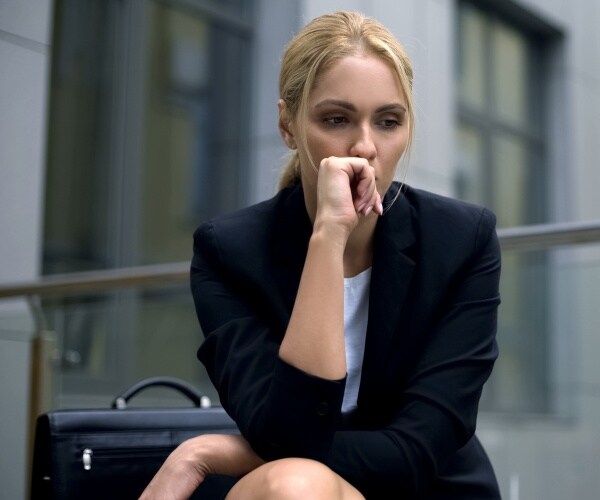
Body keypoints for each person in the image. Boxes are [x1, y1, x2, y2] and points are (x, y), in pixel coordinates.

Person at [141, 10, 501, 500]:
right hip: (297, 488)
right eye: (336, 119)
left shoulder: (461, 239)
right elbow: (287, 437)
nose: (365, 147)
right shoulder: (229, 253)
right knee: (294, 483)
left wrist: (209, 453)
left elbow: (417, 450)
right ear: (288, 125)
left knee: (294, 478)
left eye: (389, 121)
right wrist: (329, 237)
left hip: (430, 490)